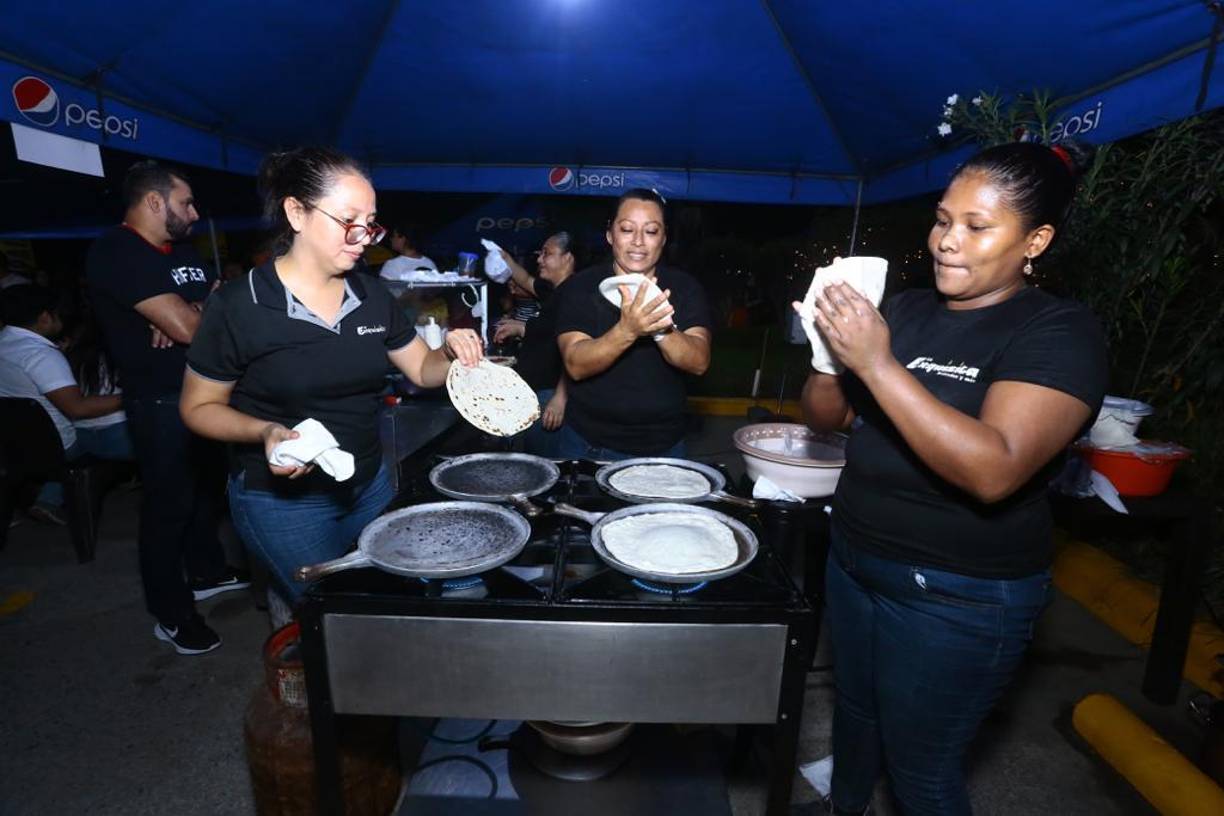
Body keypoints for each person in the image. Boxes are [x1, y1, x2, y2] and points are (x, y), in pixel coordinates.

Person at [797, 142, 1108, 815]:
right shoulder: (907, 310)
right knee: (854, 716)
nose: (947, 241)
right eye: (943, 219)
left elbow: (995, 469)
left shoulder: (1059, 331)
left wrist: (876, 364)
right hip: (854, 560)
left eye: (976, 226)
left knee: (921, 770)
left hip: (958, 595)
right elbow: (826, 418)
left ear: (1035, 241)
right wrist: (827, 354)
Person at [180, 147, 483, 615]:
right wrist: (264, 431)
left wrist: (451, 351)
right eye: (348, 221)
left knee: (382, 602)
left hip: (369, 484)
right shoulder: (241, 305)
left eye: (371, 223)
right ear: (296, 213)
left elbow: (423, 370)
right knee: (334, 614)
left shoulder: (371, 294)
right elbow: (198, 407)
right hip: (284, 504)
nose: (363, 237)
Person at [86, 160, 246, 656]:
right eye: (186, 203)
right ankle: (171, 613)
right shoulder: (117, 250)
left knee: (204, 494)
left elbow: (221, 300)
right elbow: (191, 329)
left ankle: (207, 572)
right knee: (167, 509)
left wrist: (191, 309)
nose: (195, 213)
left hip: (205, 393)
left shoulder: (182, 250)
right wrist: (190, 314)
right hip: (158, 400)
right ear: (155, 202)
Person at [554, 188, 713, 460]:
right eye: (627, 229)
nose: (638, 241)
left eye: (651, 231)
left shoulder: (685, 288)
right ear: (610, 235)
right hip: (589, 444)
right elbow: (575, 364)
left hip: (665, 447)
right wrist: (627, 330)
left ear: (663, 238)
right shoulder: (580, 287)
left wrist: (660, 327)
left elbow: (699, 361)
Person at [0, 286, 125, 523]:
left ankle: (48, 500)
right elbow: (77, 408)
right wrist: (133, 398)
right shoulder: (39, 354)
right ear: (45, 317)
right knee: (147, 430)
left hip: (17, 443)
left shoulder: (6, 345)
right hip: (60, 445)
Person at [491, 231, 579, 456]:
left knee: (545, 462)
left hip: (551, 394)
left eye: (546, 254)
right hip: (536, 391)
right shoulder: (554, 290)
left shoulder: (575, 294)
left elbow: (575, 352)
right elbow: (525, 280)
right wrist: (506, 259)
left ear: (567, 258)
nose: (539, 259)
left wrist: (560, 398)